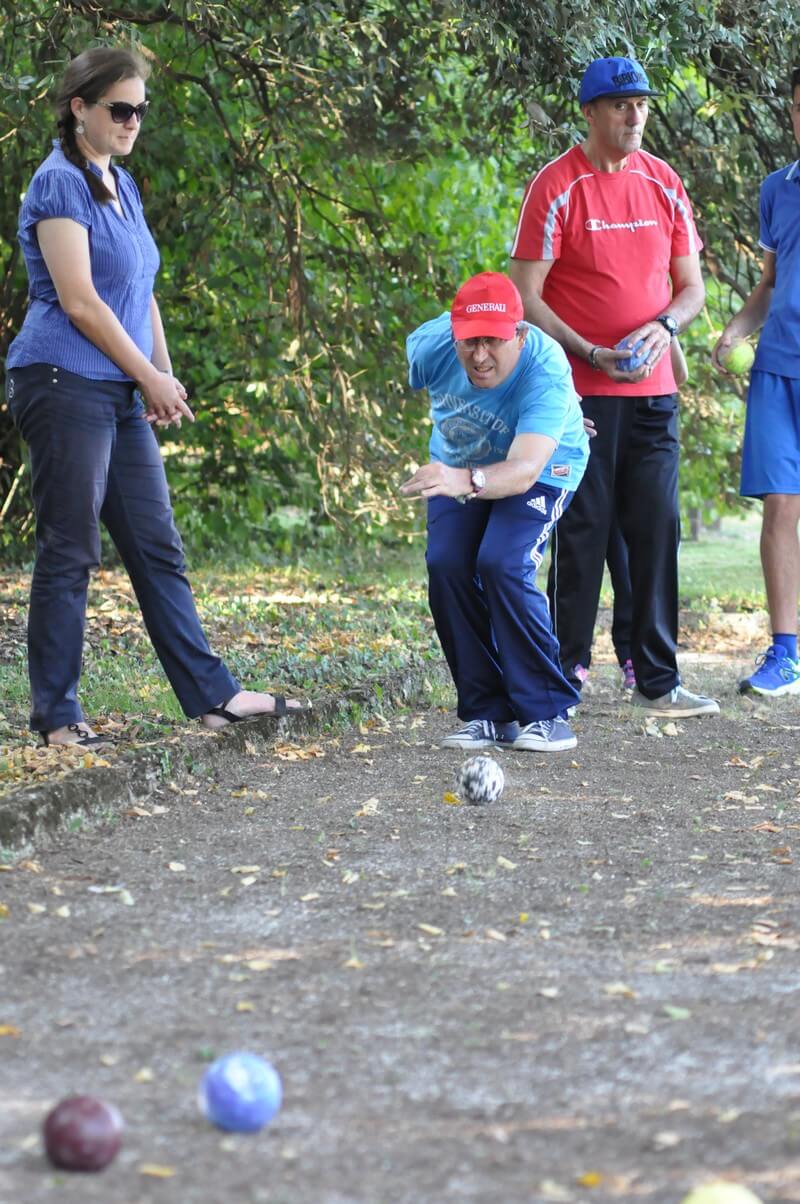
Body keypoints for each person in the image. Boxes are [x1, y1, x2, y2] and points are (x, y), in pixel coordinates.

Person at [5, 47, 306, 748]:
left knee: (156, 545)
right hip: (62, 379)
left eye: (140, 109)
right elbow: (80, 301)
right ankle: (55, 718)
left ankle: (214, 697)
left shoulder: (124, 186)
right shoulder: (59, 185)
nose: (133, 120)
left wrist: (161, 378)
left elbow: (140, 291)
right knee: (70, 549)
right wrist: (145, 374)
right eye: (120, 108)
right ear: (79, 108)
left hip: (119, 386)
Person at [509, 55, 719, 718]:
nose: (635, 116)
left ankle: (657, 680)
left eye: (642, 105)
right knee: (582, 532)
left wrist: (664, 326)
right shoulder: (556, 185)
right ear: (591, 112)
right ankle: (564, 674)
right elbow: (524, 294)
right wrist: (589, 350)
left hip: (654, 395)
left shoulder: (663, 182)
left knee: (656, 529)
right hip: (577, 397)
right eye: (621, 105)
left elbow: (693, 290)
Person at [400, 271, 589, 752]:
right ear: (453, 334)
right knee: (447, 565)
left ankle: (548, 711)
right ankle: (487, 711)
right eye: (469, 342)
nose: (479, 356)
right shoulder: (430, 347)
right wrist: (460, 474)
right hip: (459, 459)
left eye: (493, 342)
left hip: (543, 467)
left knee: (503, 561)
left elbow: (525, 469)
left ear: (520, 336)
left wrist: (553, 411)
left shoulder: (546, 369)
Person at [713, 65, 800, 697]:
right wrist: (735, 330)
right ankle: (786, 653)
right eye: (798, 106)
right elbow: (769, 284)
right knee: (780, 506)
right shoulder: (778, 188)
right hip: (776, 367)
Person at [570, 339, 689, 694]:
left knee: (631, 560)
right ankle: (572, 664)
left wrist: (663, 338)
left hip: (640, 435)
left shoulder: (658, 332)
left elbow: (678, 374)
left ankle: (634, 658)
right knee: (583, 547)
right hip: (591, 421)